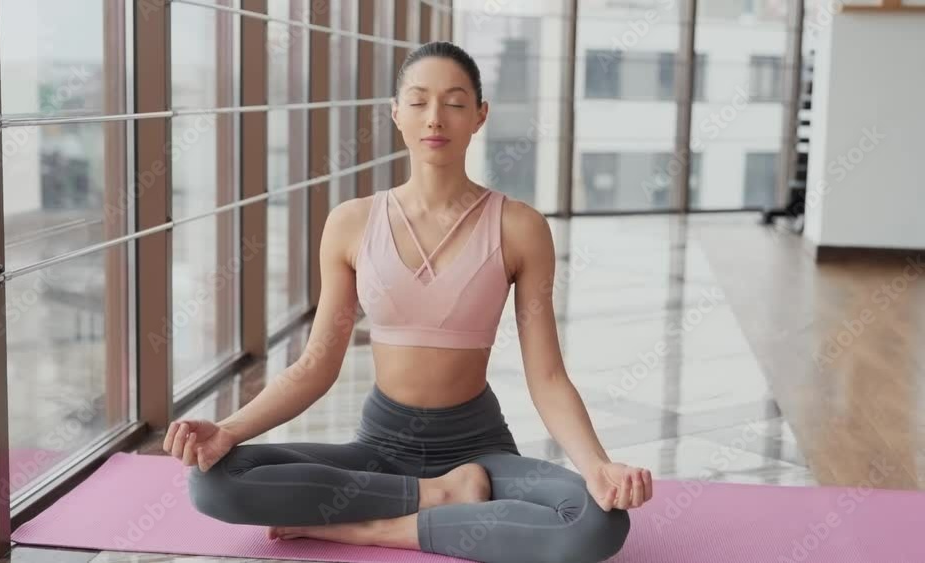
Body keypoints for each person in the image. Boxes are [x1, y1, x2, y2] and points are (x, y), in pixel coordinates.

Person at [163, 41, 652, 563]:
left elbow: (547, 377)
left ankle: (374, 528)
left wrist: (598, 465)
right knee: (214, 482)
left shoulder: (519, 227)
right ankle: (436, 499)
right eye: (418, 101)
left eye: (455, 102)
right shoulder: (351, 223)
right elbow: (316, 365)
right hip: (379, 450)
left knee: (598, 522)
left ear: (480, 116)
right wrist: (228, 430)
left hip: (477, 453)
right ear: (396, 113)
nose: (434, 117)